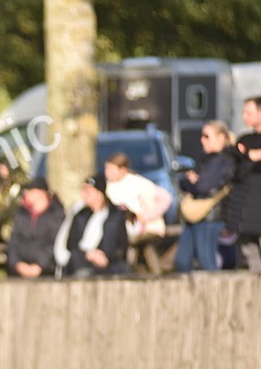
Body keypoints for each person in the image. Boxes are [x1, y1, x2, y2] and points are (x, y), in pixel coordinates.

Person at [175, 120, 235, 273]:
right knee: (182, 261)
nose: (202, 140)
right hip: (195, 216)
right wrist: (191, 182)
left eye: (207, 136)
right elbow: (183, 180)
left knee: (207, 261)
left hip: (210, 217)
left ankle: (216, 289)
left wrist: (193, 183)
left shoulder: (223, 159)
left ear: (221, 137)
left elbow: (202, 187)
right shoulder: (207, 158)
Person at [54, 175, 130, 278]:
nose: (85, 194)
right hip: (82, 261)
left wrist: (105, 256)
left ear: (99, 193)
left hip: (109, 263)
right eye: (83, 190)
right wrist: (89, 254)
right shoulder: (80, 215)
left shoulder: (115, 215)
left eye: (89, 191)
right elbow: (71, 244)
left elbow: (121, 245)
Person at [6, 177, 66, 279]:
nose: (26, 193)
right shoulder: (21, 213)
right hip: (19, 271)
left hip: (47, 271)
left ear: (41, 192)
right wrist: (17, 264)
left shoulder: (57, 214)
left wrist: (39, 266)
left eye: (30, 190)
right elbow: (14, 241)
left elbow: (54, 242)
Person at [104, 152, 172, 241]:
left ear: (122, 170)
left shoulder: (137, 183)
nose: (107, 173)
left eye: (111, 169)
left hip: (145, 230)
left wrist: (146, 217)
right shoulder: (109, 187)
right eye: (106, 169)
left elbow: (165, 197)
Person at [227, 96, 261, 272]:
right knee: (250, 254)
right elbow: (236, 171)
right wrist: (249, 156)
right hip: (248, 208)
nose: (244, 117)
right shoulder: (245, 140)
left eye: (249, 112)